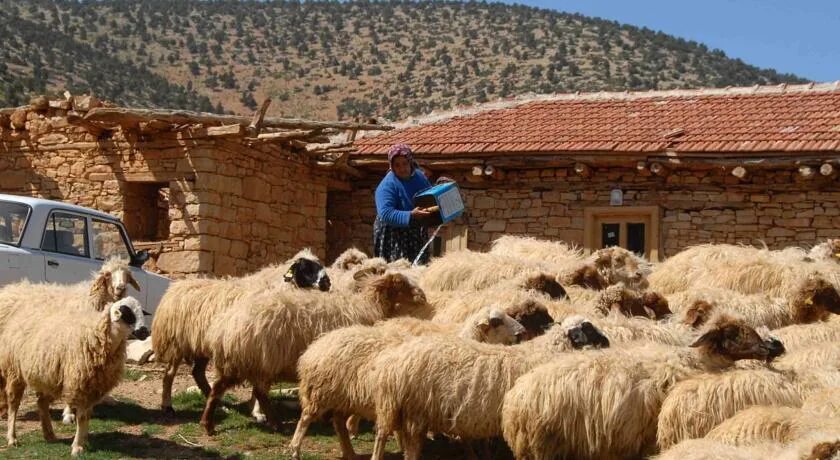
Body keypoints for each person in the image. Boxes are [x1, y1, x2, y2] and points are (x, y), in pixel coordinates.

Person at [373, 144, 433, 265]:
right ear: (392, 167)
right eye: (397, 165)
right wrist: (410, 215)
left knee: (419, 268)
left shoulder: (420, 177)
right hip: (393, 235)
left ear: (410, 162)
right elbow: (386, 213)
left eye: (405, 163)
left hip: (415, 231)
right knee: (398, 271)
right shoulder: (387, 185)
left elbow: (429, 196)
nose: (402, 168)